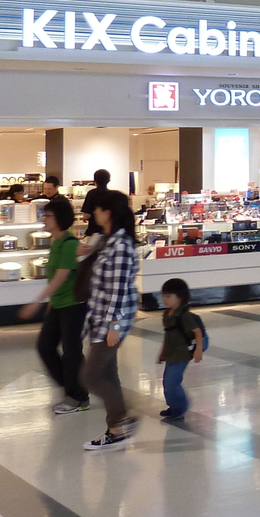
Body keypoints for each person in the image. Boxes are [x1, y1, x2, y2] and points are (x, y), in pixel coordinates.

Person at [79, 190, 141, 451]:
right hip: (101, 316)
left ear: (108, 213)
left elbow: (117, 289)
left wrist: (113, 325)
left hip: (112, 320)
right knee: (107, 373)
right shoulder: (110, 241)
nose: (94, 213)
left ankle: (120, 418)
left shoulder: (121, 246)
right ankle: (116, 429)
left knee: (91, 376)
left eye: (98, 209)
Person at [17, 196, 87, 413]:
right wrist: (49, 303)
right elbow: (55, 279)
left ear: (60, 218)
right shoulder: (56, 243)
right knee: (45, 346)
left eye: (48, 215)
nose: (44, 219)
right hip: (58, 305)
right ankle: (71, 388)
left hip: (73, 306)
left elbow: (60, 277)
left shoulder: (69, 244)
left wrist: (36, 302)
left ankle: (78, 397)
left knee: (71, 351)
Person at [155, 277, 205, 421]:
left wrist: (198, 349)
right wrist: (162, 352)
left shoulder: (185, 316)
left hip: (182, 353)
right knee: (166, 382)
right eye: (163, 295)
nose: (165, 299)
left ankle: (181, 406)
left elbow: (197, 332)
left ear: (180, 298)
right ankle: (173, 406)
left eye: (169, 296)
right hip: (171, 353)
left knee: (172, 382)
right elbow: (168, 334)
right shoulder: (166, 314)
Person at [81, 169, 112, 235]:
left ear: (95, 180)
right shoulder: (112, 195)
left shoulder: (91, 193)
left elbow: (86, 215)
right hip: (108, 231)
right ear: (108, 180)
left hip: (93, 231)